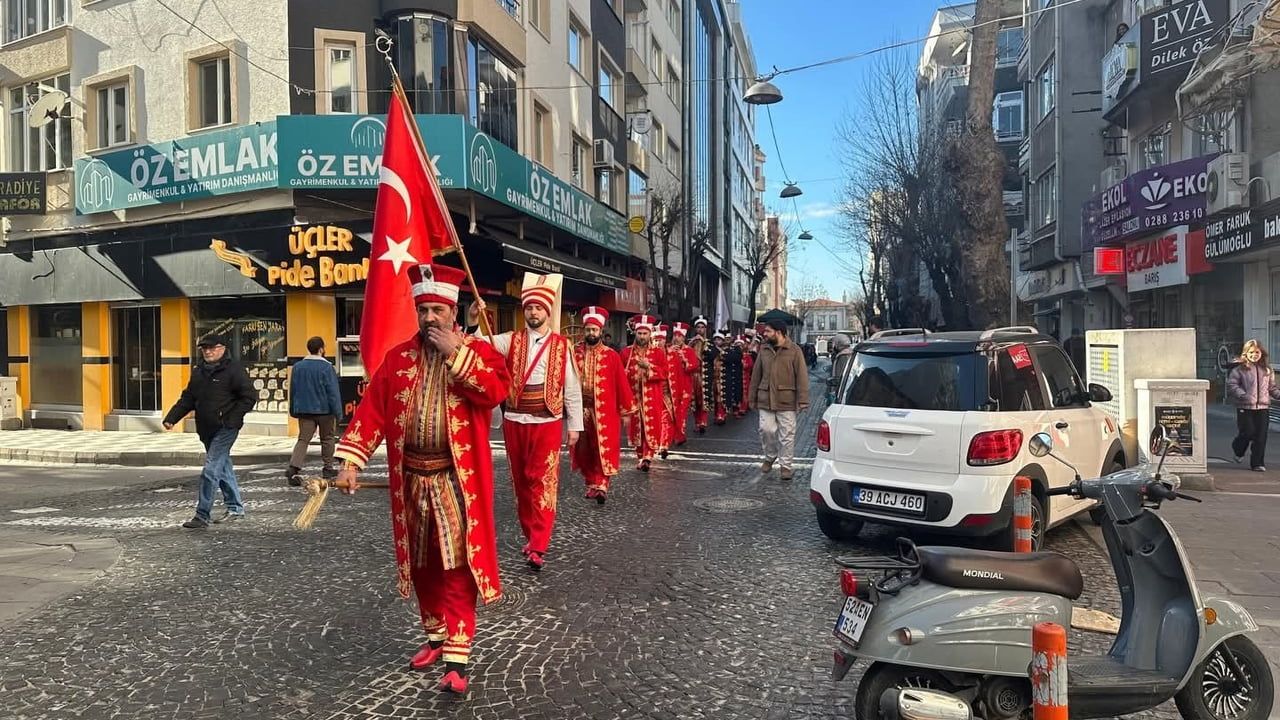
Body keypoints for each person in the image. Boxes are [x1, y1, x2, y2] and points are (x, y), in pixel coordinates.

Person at [334, 262, 509, 695]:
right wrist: (351, 462)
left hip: (454, 480)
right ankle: (434, 636)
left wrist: (457, 354)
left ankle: (458, 654)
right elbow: (372, 412)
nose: (430, 317)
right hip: (410, 479)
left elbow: (495, 392)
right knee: (422, 562)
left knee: (455, 562)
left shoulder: (478, 352)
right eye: (423, 309)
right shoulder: (398, 359)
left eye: (437, 309)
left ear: (453, 311)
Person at [469, 272, 583, 571]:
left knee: (543, 481)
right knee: (521, 483)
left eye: (539, 308)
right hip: (515, 420)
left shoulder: (561, 345)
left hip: (547, 421)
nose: (533, 312)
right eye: (529, 307)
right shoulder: (510, 340)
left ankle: (539, 544)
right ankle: (530, 535)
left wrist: (574, 426)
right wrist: (475, 319)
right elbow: (481, 346)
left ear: (547, 311)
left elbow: (570, 387)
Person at [163, 334, 256, 529]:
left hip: (226, 428)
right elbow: (188, 397)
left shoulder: (234, 370)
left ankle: (202, 514)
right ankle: (235, 508)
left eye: (212, 348)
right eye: (204, 348)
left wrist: (233, 418)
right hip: (206, 428)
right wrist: (172, 417)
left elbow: (248, 397)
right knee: (223, 468)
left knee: (211, 469)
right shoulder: (199, 372)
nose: (208, 351)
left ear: (222, 349)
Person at [572, 307, 636, 503]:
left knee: (603, 447)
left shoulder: (611, 356)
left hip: (605, 409)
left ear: (601, 331)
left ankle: (602, 484)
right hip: (581, 408)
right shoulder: (575, 353)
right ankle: (591, 482)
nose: (591, 333)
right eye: (588, 329)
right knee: (585, 448)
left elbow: (622, 384)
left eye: (595, 330)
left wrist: (626, 410)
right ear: (584, 330)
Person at [749, 319, 810, 480]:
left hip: (786, 399)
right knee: (766, 430)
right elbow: (756, 375)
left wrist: (803, 399)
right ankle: (770, 455)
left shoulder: (794, 350)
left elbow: (802, 376)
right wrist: (752, 397)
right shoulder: (764, 350)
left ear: (778, 332)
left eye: (768, 331)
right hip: (765, 397)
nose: (765, 334)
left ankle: (785, 466)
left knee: (787, 434)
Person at [287, 336, 343, 486]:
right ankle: (328, 467)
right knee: (327, 438)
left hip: (305, 410)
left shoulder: (298, 367)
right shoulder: (327, 368)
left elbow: (293, 390)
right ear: (321, 349)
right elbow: (333, 392)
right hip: (325, 411)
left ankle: (294, 467)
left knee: (303, 439)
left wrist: (293, 409)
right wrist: (338, 412)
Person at [621, 315, 670, 471]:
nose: (642, 336)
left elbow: (664, 373)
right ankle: (641, 455)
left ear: (650, 334)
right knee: (636, 427)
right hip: (633, 396)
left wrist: (649, 368)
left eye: (645, 334)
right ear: (635, 333)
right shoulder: (626, 353)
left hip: (652, 396)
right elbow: (620, 375)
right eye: (639, 333)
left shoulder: (658, 353)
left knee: (651, 424)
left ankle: (648, 455)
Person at [1227, 338, 1280, 472]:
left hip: (1263, 407)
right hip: (1245, 407)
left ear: (1261, 353)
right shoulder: (1239, 369)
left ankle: (1257, 463)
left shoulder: (1267, 370)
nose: (1254, 355)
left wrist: (1278, 395)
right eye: (1251, 352)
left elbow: (1272, 388)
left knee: (1261, 436)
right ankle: (1238, 449)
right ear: (1246, 353)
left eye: (1257, 352)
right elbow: (1232, 385)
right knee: (1248, 432)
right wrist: (1242, 394)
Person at [667, 322, 701, 446]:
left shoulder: (689, 350)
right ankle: (668, 435)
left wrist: (683, 358)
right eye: (675, 335)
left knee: (681, 412)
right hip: (670, 386)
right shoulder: (667, 348)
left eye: (680, 336)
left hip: (685, 386)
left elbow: (694, 366)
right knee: (670, 412)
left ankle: (679, 435)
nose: (677, 338)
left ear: (684, 338)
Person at [652, 324, 676, 459]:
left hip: (668, 393)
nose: (657, 342)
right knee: (654, 420)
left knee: (666, 418)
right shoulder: (647, 354)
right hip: (652, 393)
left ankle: (664, 444)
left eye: (660, 339)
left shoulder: (672, 354)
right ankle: (655, 443)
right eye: (655, 339)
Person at [690, 315, 712, 434]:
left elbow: (712, 355)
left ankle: (703, 421)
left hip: (704, 375)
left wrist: (704, 344)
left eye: (702, 327)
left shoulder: (709, 343)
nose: (700, 329)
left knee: (704, 400)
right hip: (693, 375)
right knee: (694, 401)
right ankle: (697, 422)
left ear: (705, 329)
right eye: (698, 327)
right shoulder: (691, 342)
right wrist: (690, 345)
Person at [827, 333, 855, 404]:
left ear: (838, 344)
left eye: (834, 344)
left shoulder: (842, 356)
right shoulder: (852, 353)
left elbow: (838, 377)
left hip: (841, 393)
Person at [723, 332, 744, 418]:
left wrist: (727, 355)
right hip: (726, 373)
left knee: (736, 392)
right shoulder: (722, 348)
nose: (727, 340)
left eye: (729, 338)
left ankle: (736, 409)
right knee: (725, 391)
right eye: (726, 339)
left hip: (736, 374)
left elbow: (736, 358)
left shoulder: (736, 349)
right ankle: (724, 410)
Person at [738, 336, 755, 417]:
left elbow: (749, 365)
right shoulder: (736, 355)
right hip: (737, 377)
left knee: (745, 392)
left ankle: (743, 407)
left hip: (745, 377)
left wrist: (742, 364)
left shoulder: (748, 356)